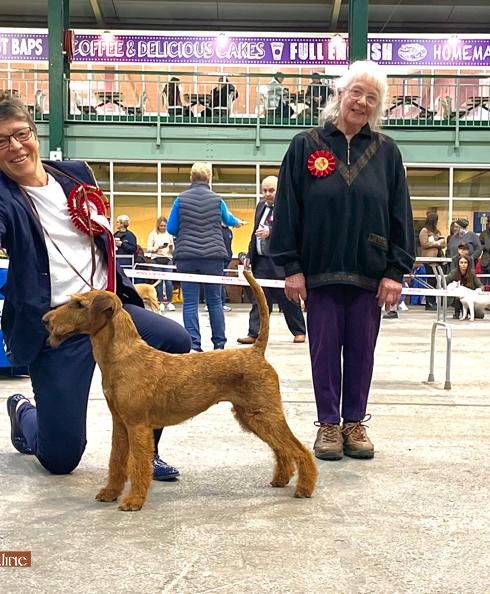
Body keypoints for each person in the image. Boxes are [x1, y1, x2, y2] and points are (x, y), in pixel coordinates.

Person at [0, 95, 191, 481]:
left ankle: (144, 453)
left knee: (174, 341)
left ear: (34, 134)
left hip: (107, 312)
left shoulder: (76, 174)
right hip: (58, 326)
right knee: (61, 459)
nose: (15, 147)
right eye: (1, 141)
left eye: (21, 134)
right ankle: (24, 413)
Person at [270, 60, 415, 461]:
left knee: (362, 351)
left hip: (370, 273)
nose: (363, 102)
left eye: (372, 97)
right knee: (323, 348)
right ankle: (328, 425)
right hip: (318, 272)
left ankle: (355, 422)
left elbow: (400, 213)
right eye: (357, 92)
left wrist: (395, 271)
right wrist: (292, 267)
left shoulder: (387, 153)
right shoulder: (305, 145)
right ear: (339, 94)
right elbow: (288, 208)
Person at [167, 162, 241, 351]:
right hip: (213, 257)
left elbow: (171, 228)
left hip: (187, 257)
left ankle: (194, 345)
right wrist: (237, 222)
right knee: (215, 301)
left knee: (190, 302)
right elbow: (228, 219)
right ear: (209, 178)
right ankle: (219, 345)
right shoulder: (217, 199)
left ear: (190, 178)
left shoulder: (180, 200)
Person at [238, 175, 306, 345]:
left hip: (280, 262)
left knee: (289, 298)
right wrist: (249, 255)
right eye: (265, 191)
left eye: (271, 190)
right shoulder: (260, 206)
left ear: (279, 190)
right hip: (261, 262)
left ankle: (299, 331)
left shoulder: (287, 207)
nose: (267, 194)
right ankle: (254, 333)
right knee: (259, 299)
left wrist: (271, 232)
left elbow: (293, 232)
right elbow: (254, 233)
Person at [418, 210, 446, 311]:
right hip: (429, 260)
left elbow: (444, 243)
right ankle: (429, 302)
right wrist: (437, 243)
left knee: (435, 281)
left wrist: (439, 243)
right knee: (430, 280)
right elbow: (424, 244)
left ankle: (433, 301)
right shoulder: (424, 231)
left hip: (438, 259)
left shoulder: (437, 231)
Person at [146, 216, 175, 311]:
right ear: (158, 226)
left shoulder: (169, 234)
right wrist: (157, 248)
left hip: (168, 258)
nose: (163, 227)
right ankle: (161, 301)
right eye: (161, 226)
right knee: (159, 281)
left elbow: (173, 250)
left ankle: (170, 302)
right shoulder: (152, 234)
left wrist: (170, 247)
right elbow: (149, 248)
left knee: (169, 282)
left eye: (164, 226)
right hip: (156, 258)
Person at [446, 254, 482, 319]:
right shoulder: (454, 273)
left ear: (468, 264)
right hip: (456, 298)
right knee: (458, 298)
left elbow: (480, 285)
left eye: (465, 262)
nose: (463, 264)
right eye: (461, 262)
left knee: (480, 315)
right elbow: (444, 282)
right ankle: (457, 313)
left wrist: (480, 289)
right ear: (458, 264)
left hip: (470, 298)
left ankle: (467, 312)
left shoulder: (472, 273)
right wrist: (450, 288)